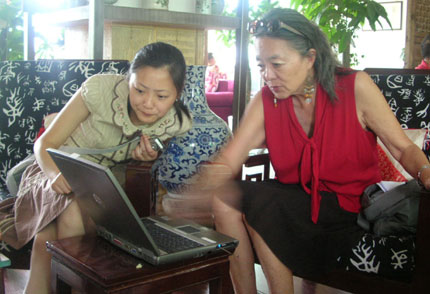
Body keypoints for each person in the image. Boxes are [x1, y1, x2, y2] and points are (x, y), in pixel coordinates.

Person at [187, 8, 430, 294]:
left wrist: (426, 172)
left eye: (277, 64)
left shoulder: (354, 87)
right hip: (295, 198)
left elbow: (402, 148)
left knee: (265, 205)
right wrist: (193, 192)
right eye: (261, 65)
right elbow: (230, 158)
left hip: (348, 205)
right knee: (224, 199)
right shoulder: (268, 100)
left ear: (310, 58)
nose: (268, 75)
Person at [0, 42, 192, 294]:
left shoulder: (176, 122)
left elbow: (151, 155)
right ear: (128, 80)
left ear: (177, 93)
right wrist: (54, 174)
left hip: (99, 181)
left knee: (49, 229)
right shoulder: (99, 90)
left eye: (161, 96)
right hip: (54, 168)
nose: (147, 103)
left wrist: (148, 155)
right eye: (139, 90)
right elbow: (44, 143)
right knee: (68, 210)